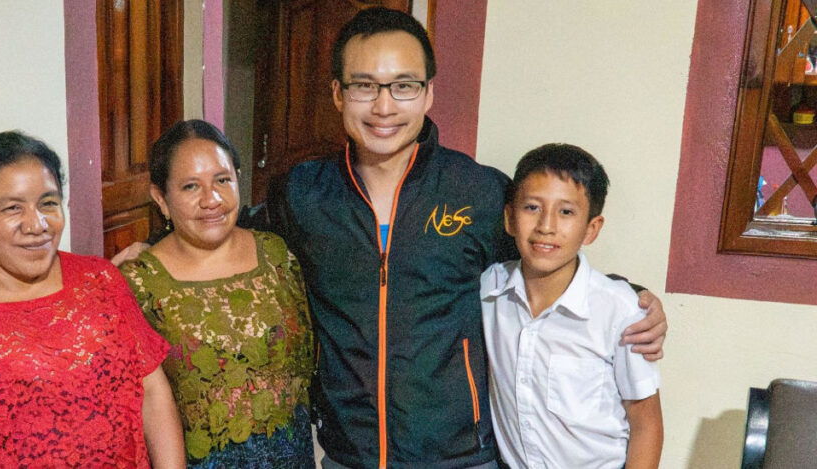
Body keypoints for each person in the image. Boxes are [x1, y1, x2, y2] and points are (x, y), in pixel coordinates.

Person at [114, 8, 668, 469]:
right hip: (346, 456)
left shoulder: (477, 192)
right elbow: (229, 232)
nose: (384, 107)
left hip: (460, 459)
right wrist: (155, 247)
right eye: (365, 86)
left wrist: (628, 294)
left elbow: (546, 259)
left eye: (403, 86)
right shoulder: (304, 194)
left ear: (428, 93)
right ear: (337, 93)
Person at [0, 131, 185, 468]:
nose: (37, 225)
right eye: (12, 208)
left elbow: (153, 394)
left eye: (48, 203)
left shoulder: (100, 279)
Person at [117, 120, 316, 468]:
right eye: (191, 186)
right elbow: (138, 408)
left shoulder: (277, 255)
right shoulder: (139, 284)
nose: (211, 199)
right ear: (161, 198)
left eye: (223, 180)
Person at [481, 144, 663, 469]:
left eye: (566, 212)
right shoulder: (488, 292)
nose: (546, 226)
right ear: (509, 218)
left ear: (591, 229)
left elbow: (646, 425)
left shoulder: (620, 311)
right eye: (532, 207)